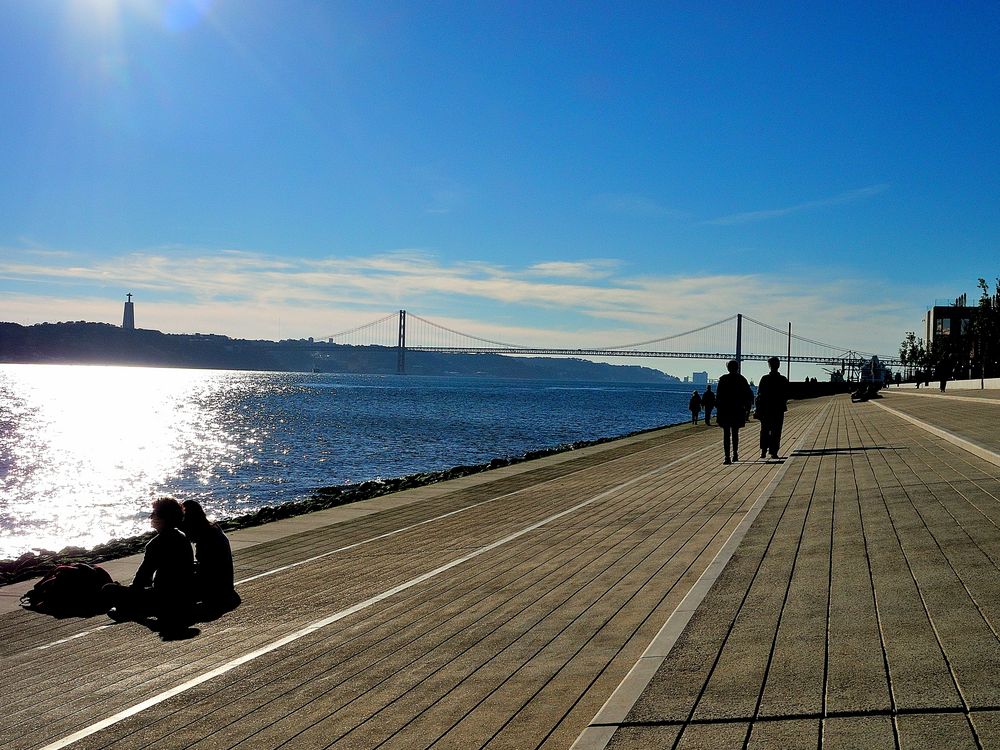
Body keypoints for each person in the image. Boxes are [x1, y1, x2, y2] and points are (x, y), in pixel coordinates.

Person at [104, 497, 194, 632]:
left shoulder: (156, 544)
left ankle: (129, 611)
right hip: (185, 596)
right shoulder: (182, 537)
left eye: (154, 514)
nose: (151, 516)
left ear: (163, 518)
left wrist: (126, 592)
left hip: (163, 599)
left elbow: (142, 577)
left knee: (109, 589)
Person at [181, 500, 240, 614]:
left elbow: (207, 571)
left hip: (216, 589)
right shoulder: (213, 529)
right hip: (224, 585)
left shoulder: (206, 539)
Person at [715, 359, 755, 465]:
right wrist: (747, 407)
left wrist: (718, 408)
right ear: (737, 368)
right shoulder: (742, 379)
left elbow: (718, 396)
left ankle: (727, 457)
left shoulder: (723, 379)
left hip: (725, 410)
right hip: (737, 410)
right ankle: (735, 454)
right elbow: (749, 395)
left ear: (728, 368)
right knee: (735, 433)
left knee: (726, 434)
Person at [755, 356, 789, 459]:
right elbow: (786, 394)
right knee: (776, 430)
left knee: (764, 430)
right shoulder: (783, 379)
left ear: (769, 366)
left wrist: (757, 408)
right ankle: (774, 451)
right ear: (779, 365)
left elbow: (759, 394)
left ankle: (763, 451)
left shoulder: (764, 379)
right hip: (778, 409)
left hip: (765, 409)